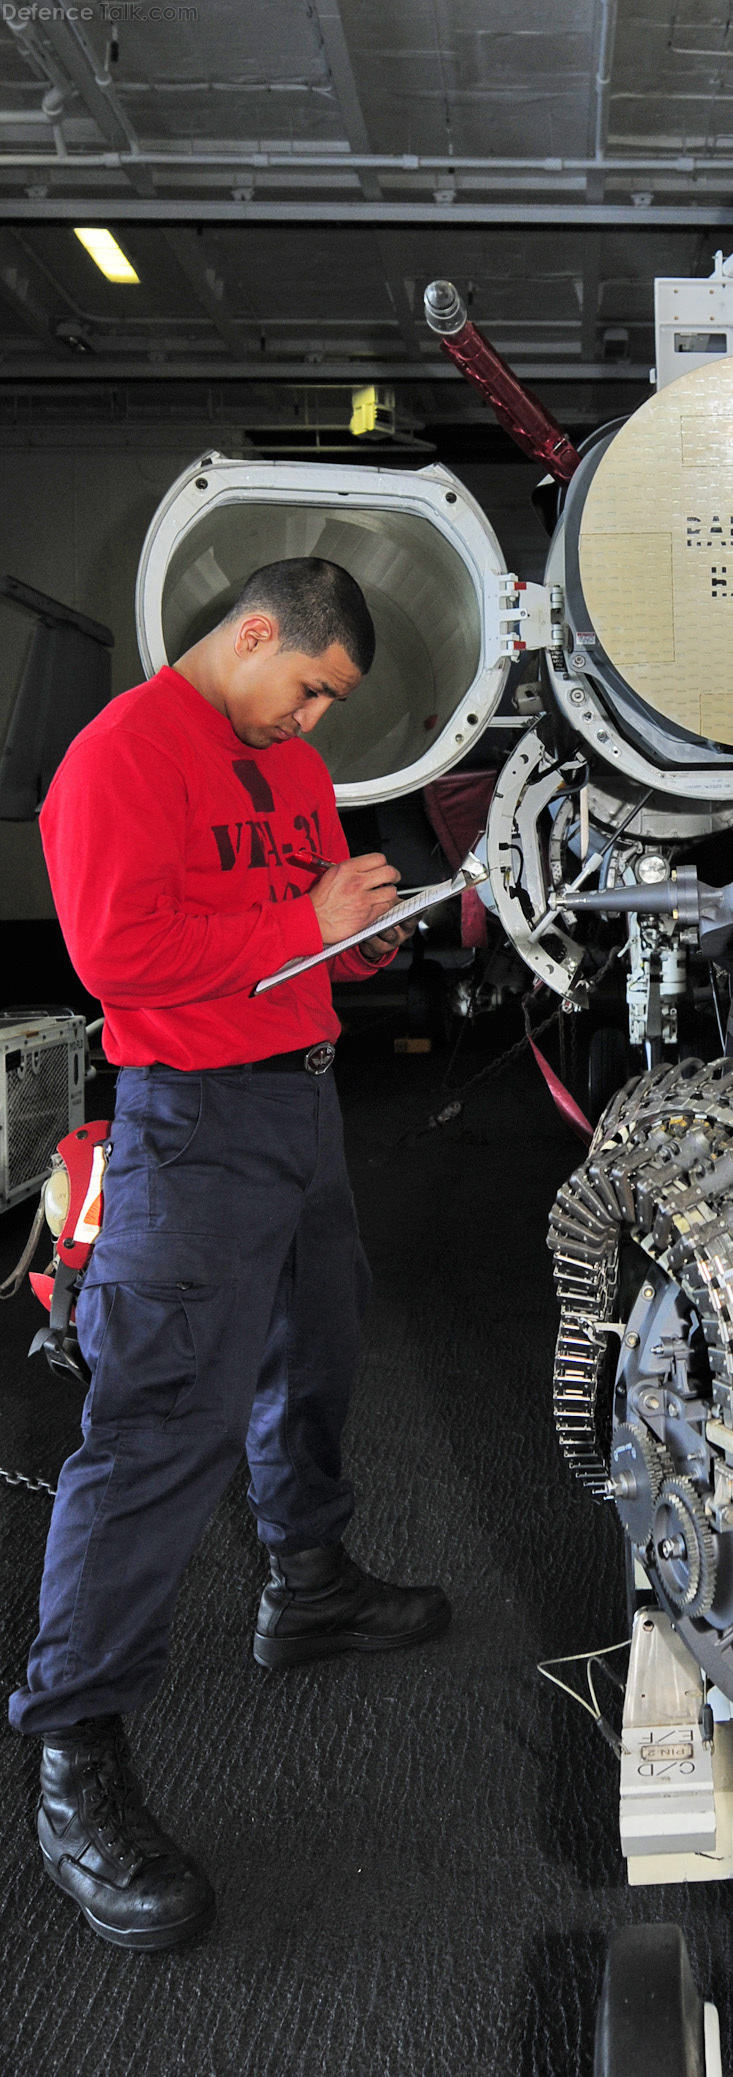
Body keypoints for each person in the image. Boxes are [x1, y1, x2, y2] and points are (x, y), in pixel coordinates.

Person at [11, 556, 451, 1954]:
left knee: (316, 1360)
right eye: (311, 688)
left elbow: (299, 940)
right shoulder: (122, 755)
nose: (315, 722)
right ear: (253, 633)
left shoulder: (300, 777)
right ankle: (73, 1757)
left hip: (301, 1102)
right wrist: (303, 924)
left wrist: (365, 936)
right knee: (153, 1433)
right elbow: (116, 959)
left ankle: (307, 1587)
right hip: (187, 1128)